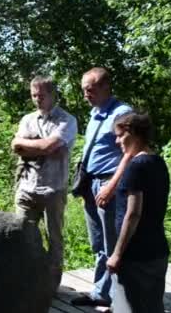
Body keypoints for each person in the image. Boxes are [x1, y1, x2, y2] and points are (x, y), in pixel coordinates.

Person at [71, 67, 133, 307]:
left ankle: (118, 296)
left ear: (106, 87)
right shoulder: (96, 112)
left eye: (90, 89)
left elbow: (129, 153)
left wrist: (111, 186)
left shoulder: (122, 113)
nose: (86, 94)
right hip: (91, 183)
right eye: (84, 90)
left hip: (109, 183)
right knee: (97, 242)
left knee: (112, 243)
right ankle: (101, 292)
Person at [11, 76, 77, 292]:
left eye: (41, 95)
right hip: (26, 188)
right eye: (33, 95)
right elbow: (15, 145)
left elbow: (49, 146)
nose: (37, 99)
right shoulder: (27, 119)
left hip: (53, 188)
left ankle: (51, 287)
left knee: (54, 239)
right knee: (21, 236)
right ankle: (26, 282)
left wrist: (31, 145)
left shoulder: (67, 120)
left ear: (52, 94)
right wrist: (39, 146)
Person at [107, 113, 170, 313]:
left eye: (119, 135)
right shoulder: (158, 163)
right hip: (157, 252)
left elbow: (133, 213)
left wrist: (117, 254)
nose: (117, 141)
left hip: (137, 257)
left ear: (132, 132)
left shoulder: (136, 166)